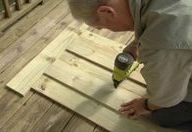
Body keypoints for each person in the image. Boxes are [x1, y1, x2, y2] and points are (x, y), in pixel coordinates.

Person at [67, 0, 192, 129]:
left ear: (107, 11)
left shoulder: (162, 45)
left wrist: (144, 105)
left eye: (103, 26)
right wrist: (136, 44)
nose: (105, 28)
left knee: (164, 115)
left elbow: (165, 99)